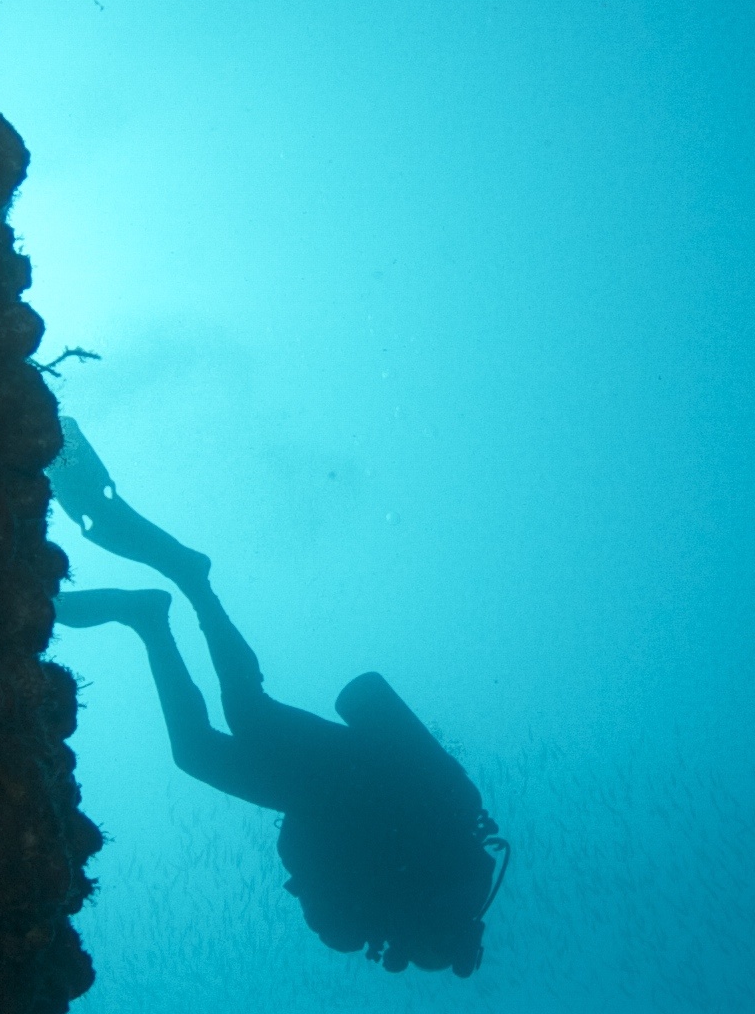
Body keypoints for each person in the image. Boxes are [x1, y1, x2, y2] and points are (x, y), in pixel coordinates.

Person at [48, 416, 507, 976]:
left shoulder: (431, 889)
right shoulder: (433, 884)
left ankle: (155, 612)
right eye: (417, 955)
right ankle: (183, 589)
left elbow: (321, 860)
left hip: (322, 784)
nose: (402, 957)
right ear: (441, 937)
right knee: (242, 715)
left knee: (213, 737)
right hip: (336, 775)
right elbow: (340, 852)